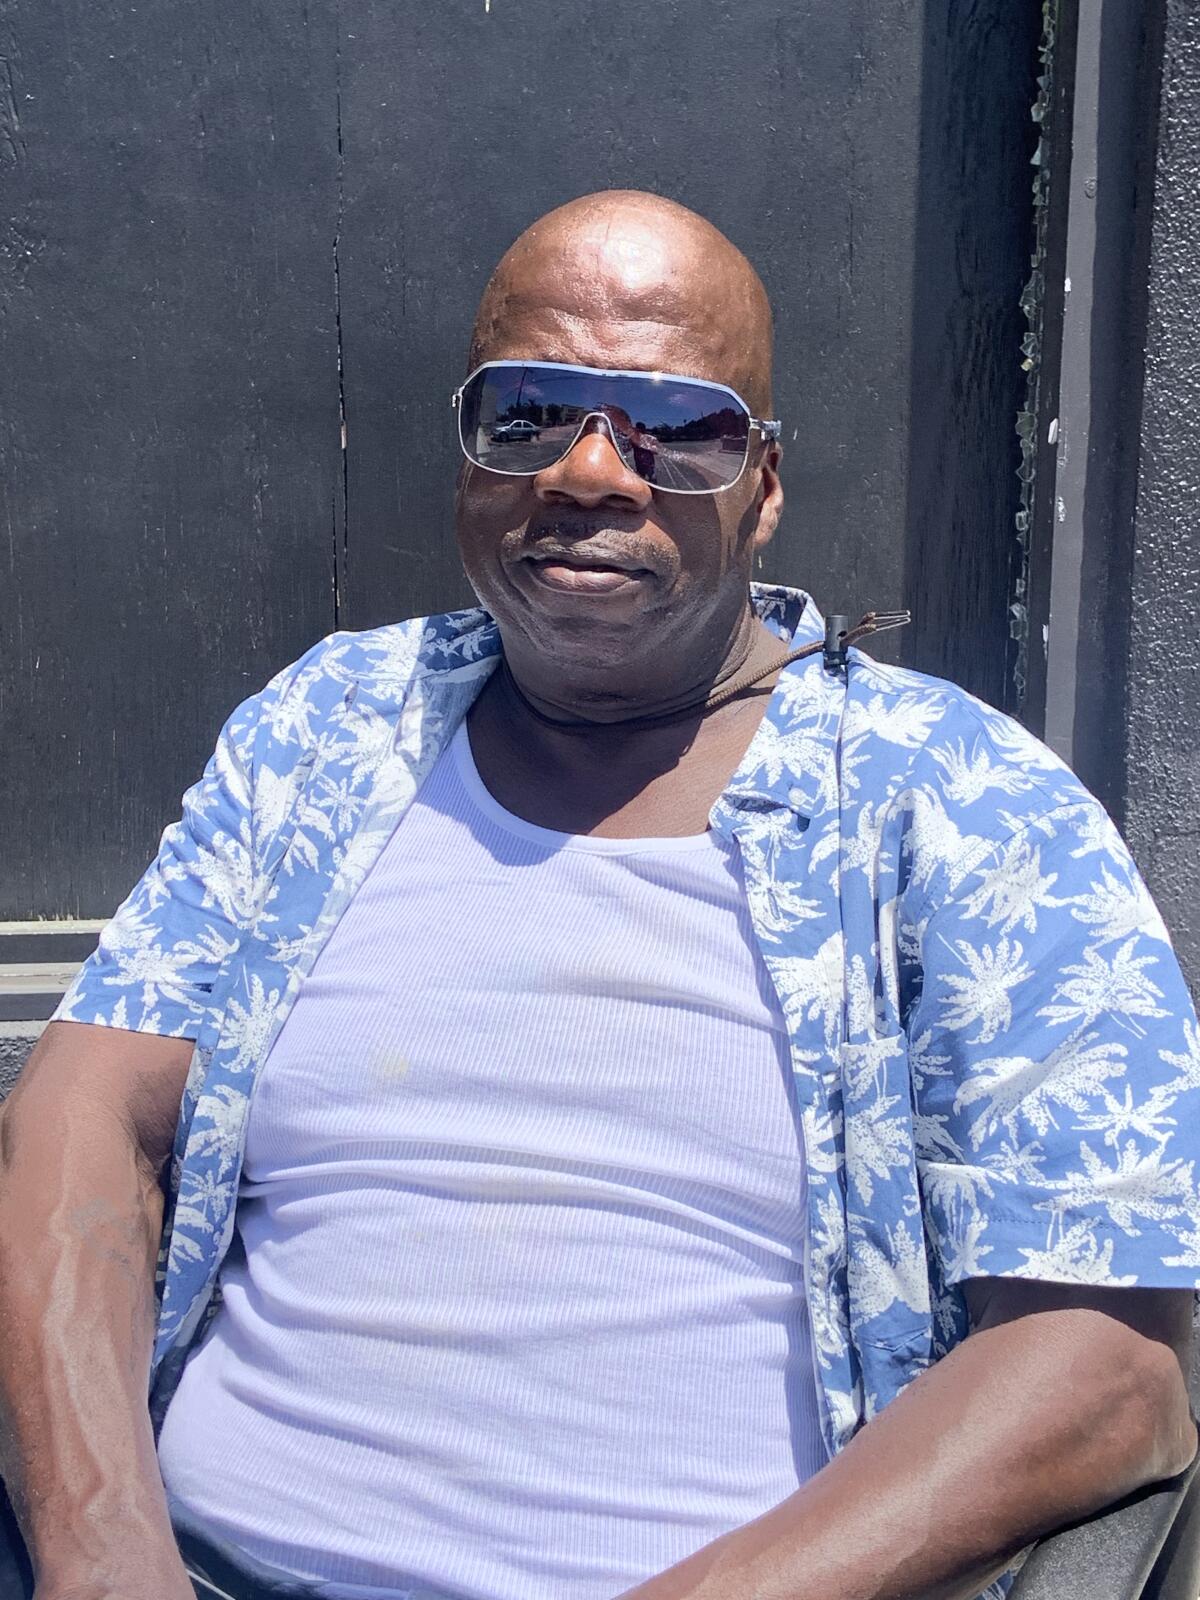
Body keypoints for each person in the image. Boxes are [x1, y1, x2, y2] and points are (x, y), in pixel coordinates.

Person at [1, 189, 1198, 1600]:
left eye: (674, 428)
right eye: (528, 413)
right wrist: (99, 1557)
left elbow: (1111, 1367)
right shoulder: (330, 732)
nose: (586, 470)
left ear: (763, 486)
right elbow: (81, 1108)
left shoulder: (960, 801)